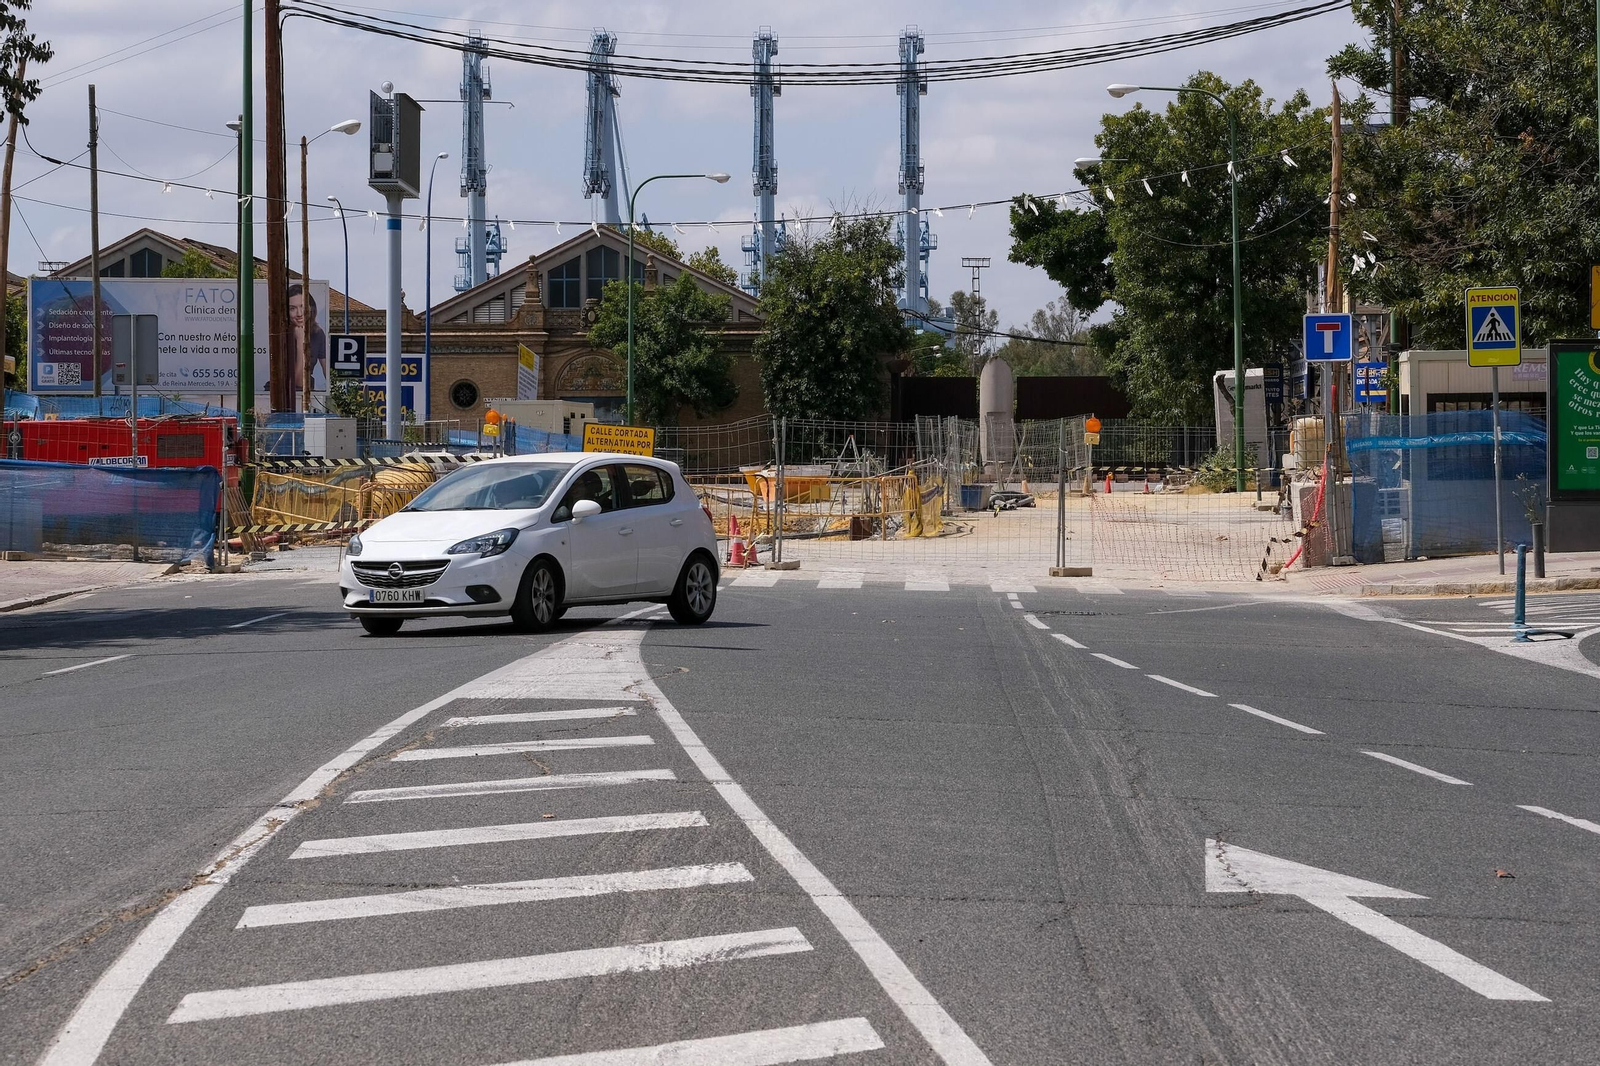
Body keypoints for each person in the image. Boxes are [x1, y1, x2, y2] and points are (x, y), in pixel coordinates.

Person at [287, 283, 328, 401]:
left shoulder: (317, 333)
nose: (299, 313)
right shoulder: (281, 336)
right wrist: (300, 342)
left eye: (303, 306)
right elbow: (298, 382)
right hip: (280, 398)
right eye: (292, 308)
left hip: (308, 395)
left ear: (311, 308)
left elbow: (328, 374)